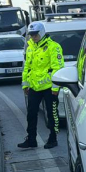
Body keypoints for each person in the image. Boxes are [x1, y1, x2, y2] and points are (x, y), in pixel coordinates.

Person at [18, 22, 64, 150]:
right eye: (31, 35)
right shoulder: (30, 47)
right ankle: (31, 139)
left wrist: (55, 88)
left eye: (35, 34)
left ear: (42, 32)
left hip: (49, 88)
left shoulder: (53, 47)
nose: (33, 37)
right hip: (34, 87)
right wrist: (25, 85)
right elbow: (27, 67)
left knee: (52, 114)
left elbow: (57, 68)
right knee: (31, 114)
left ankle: (53, 138)